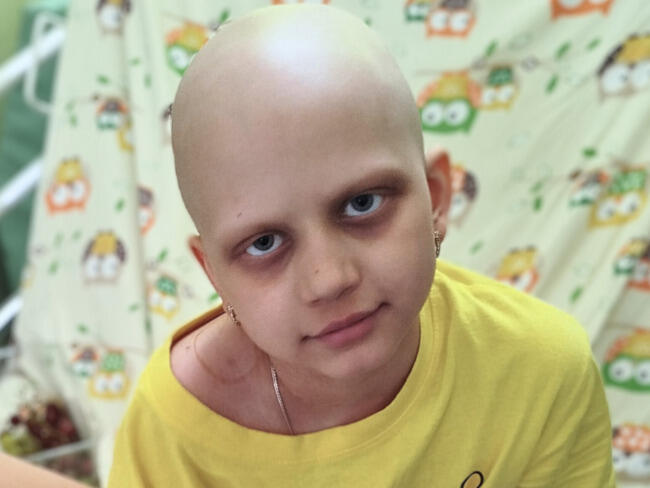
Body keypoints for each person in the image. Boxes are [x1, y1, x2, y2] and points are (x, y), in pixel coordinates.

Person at [108, 5, 615, 487]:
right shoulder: (170, 434)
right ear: (214, 275)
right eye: (264, 243)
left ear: (436, 196)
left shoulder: (542, 374)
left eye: (362, 204)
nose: (330, 279)